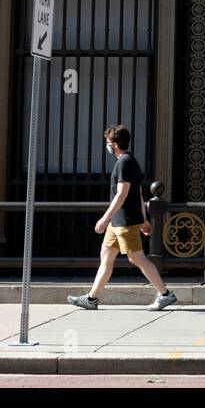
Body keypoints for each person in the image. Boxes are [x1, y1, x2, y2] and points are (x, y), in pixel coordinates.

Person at [67, 125, 176, 311]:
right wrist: (144, 219)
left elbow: (122, 194)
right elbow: (138, 193)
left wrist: (104, 218)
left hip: (125, 221)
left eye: (108, 143)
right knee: (106, 256)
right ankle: (91, 299)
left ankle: (165, 294)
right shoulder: (129, 161)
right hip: (119, 221)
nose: (107, 146)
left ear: (115, 144)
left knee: (137, 258)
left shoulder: (124, 162)